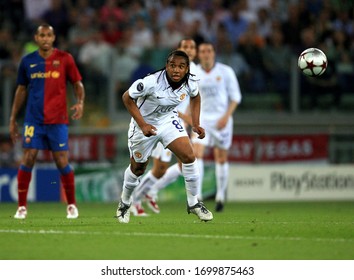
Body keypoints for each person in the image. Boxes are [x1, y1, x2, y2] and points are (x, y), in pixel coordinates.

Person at [116, 49, 213, 223]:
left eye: (181, 66)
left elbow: (196, 97)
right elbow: (127, 98)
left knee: (189, 157)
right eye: (173, 66)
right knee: (138, 168)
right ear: (166, 66)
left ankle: (194, 203)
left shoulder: (190, 82)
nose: (176, 70)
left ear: (186, 69)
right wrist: (143, 124)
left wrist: (196, 123)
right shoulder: (151, 82)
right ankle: (124, 203)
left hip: (167, 121)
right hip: (143, 126)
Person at [9, 24, 85, 219]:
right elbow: (21, 90)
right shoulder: (28, 61)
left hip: (58, 120)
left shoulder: (65, 59)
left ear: (53, 38)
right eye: (41, 35)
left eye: (48, 35)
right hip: (33, 120)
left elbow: (77, 83)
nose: (45, 38)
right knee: (28, 156)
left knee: (61, 161)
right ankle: (22, 207)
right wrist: (12, 118)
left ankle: (71, 205)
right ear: (36, 38)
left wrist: (80, 102)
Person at [130, 38, 197, 216]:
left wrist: (194, 122)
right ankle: (136, 197)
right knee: (158, 168)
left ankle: (150, 192)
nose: (189, 50)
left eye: (192, 47)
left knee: (183, 164)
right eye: (185, 47)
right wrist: (187, 119)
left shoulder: (194, 73)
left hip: (178, 125)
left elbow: (195, 99)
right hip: (164, 122)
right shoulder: (171, 72)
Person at [192, 42, 242, 212]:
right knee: (197, 154)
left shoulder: (226, 71)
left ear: (214, 53)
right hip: (202, 119)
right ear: (199, 54)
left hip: (222, 119)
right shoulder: (193, 73)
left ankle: (220, 196)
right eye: (203, 51)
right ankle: (197, 197)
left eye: (209, 51)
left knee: (221, 158)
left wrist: (226, 116)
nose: (206, 54)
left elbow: (235, 97)